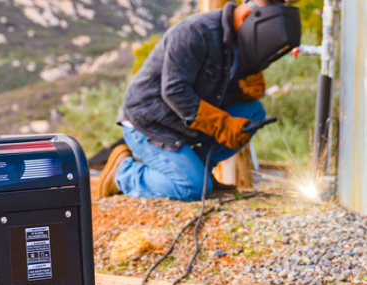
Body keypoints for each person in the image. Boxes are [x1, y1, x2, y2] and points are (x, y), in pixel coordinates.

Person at [98, 0, 300, 201]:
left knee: (253, 112)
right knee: (191, 188)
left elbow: (221, 90)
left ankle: (203, 172)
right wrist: (221, 124)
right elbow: (175, 91)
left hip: (184, 123)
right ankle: (123, 174)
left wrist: (244, 85)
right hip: (149, 124)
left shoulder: (242, 43)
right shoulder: (195, 32)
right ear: (248, 17)